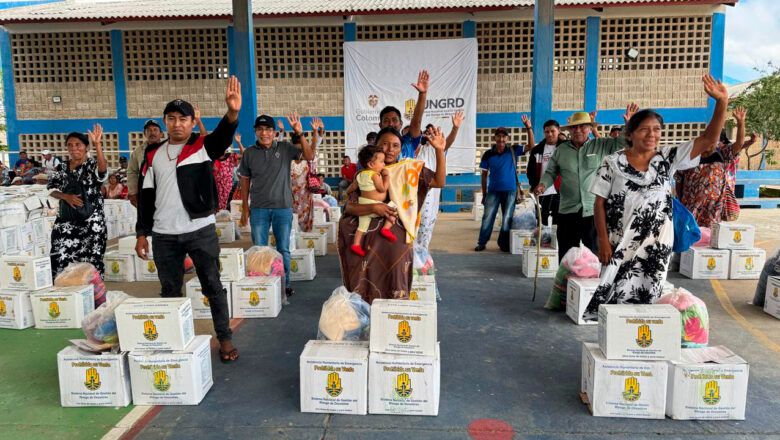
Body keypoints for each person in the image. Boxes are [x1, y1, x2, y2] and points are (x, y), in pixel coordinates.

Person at [582, 75, 729, 321]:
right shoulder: (612, 162)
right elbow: (599, 204)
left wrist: (722, 103)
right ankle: (616, 339)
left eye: (657, 129)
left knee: (648, 297)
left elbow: (707, 141)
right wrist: (603, 241)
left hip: (656, 246)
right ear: (630, 134)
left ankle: (641, 340)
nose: (652, 134)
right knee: (613, 296)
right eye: (644, 129)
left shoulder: (667, 158)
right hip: (620, 242)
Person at [134, 77, 241, 363]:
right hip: (164, 235)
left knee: (212, 285)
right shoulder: (153, 155)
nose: (177, 124)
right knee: (170, 290)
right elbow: (145, 196)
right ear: (165, 122)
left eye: (183, 119)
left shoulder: (202, 146)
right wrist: (142, 233)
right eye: (171, 119)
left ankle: (225, 338)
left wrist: (232, 113)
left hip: (199, 230)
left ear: (193, 122)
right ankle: (174, 340)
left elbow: (222, 137)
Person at [338, 126, 447, 303]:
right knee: (357, 243)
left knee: (397, 248)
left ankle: (394, 305)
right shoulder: (365, 173)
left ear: (400, 148)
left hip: (395, 230)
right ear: (376, 146)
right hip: (367, 226)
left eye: (395, 145)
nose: (390, 149)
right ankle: (362, 305)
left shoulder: (409, 169)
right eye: (385, 144)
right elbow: (349, 207)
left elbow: (439, 181)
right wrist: (374, 208)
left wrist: (439, 151)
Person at [533, 104, 639, 261]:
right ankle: (566, 277)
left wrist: (629, 125)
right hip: (567, 210)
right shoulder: (561, 150)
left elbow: (622, 143)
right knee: (566, 255)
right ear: (569, 130)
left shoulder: (600, 145)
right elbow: (551, 172)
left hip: (593, 211)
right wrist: (543, 185)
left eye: (582, 126)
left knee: (594, 254)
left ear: (590, 128)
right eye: (574, 127)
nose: (578, 130)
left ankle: (593, 277)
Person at [238, 112, 316, 298]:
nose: (264, 133)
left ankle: (284, 284)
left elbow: (310, 155)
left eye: (268, 130)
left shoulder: (285, 148)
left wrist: (300, 133)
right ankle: (263, 285)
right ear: (255, 132)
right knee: (259, 250)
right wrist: (245, 208)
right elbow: (245, 180)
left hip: (283, 208)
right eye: (260, 129)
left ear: (274, 132)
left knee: (283, 249)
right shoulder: (249, 153)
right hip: (258, 209)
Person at [48, 126, 108, 277]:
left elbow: (102, 171)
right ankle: (64, 289)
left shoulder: (92, 165)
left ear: (86, 147)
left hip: (91, 223)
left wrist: (97, 144)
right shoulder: (61, 167)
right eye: (70, 145)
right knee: (60, 257)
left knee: (91, 261)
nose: (74, 148)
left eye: (78, 145)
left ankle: (92, 291)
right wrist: (65, 196)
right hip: (66, 222)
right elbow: (51, 189)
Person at [679, 107, 750, 227]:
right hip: (690, 206)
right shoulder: (689, 154)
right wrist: (681, 202)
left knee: (711, 235)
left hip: (714, 208)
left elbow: (739, 145)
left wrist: (741, 123)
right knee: (690, 233)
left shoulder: (722, 152)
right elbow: (679, 180)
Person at [475, 116, 535, 252]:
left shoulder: (513, 150)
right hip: (493, 191)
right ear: (494, 138)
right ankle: (482, 242)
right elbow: (484, 176)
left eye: (504, 136)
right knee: (487, 217)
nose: (501, 139)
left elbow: (531, 146)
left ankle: (503, 243)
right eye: (499, 136)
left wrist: (528, 128)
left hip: (510, 191)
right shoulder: (488, 154)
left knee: (507, 218)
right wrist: (484, 194)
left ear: (507, 139)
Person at [414, 111, 463, 253]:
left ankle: (422, 254)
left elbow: (448, 142)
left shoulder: (438, 149)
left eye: (432, 132)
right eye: (427, 132)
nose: (430, 135)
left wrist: (455, 128)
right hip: (415, 191)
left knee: (425, 224)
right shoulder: (418, 149)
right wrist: (419, 143)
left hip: (431, 190)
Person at [350, 145, 397, 256]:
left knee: (361, 228)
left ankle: (356, 244)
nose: (384, 164)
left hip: (363, 206)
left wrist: (347, 192)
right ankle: (386, 228)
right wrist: (386, 177)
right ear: (371, 164)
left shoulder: (359, 175)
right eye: (381, 162)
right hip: (376, 205)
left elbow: (352, 187)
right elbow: (382, 189)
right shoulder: (375, 175)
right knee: (394, 208)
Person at [377, 70, 429, 160]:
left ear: (401, 124)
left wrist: (422, 94)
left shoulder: (408, 141)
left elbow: (416, 122)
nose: (390, 124)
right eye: (386, 121)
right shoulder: (374, 149)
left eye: (394, 120)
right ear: (380, 125)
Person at [526, 119, 564, 226]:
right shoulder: (537, 150)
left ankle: (556, 238)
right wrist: (534, 185)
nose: (550, 134)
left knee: (560, 222)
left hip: (561, 192)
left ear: (558, 131)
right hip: (541, 191)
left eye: (553, 131)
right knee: (541, 221)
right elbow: (530, 171)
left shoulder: (565, 147)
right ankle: (543, 237)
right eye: (547, 132)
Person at [127, 119, 164, 207]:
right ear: (145, 134)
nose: (152, 133)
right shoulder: (138, 151)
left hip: (164, 191)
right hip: (145, 192)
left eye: (155, 130)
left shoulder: (168, 148)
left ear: (161, 134)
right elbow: (132, 171)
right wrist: (133, 191)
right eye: (149, 130)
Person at [213, 143, 243, 211]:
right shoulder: (215, 158)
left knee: (224, 202)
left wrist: (239, 143)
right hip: (216, 184)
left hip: (227, 184)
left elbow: (243, 154)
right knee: (216, 202)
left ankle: (222, 212)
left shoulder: (231, 156)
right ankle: (218, 212)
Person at [291, 151, 314, 232]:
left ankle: (304, 234)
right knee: (295, 214)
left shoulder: (308, 162)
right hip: (295, 194)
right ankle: (297, 233)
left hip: (304, 194)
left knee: (304, 213)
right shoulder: (290, 162)